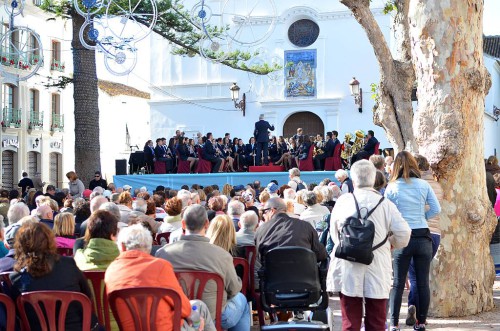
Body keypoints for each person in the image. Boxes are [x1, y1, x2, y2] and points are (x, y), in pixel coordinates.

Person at [328, 160, 411, 331]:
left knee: (350, 322)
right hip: (377, 263)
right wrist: (389, 244)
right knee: (376, 321)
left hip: (349, 263)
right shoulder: (385, 204)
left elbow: (334, 234)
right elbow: (404, 234)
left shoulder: (343, 201)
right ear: (374, 179)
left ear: (353, 178)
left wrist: (348, 246)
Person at [155, 205, 250, 331]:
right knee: (242, 299)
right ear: (206, 224)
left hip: (178, 314)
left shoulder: (162, 254)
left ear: (183, 224)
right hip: (215, 316)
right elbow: (234, 290)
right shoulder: (222, 255)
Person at [105, 224, 215, 331]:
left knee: (198, 306)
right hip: (168, 327)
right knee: (200, 309)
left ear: (123, 247)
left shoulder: (111, 271)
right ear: (148, 247)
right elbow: (182, 305)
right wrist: (196, 319)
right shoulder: (160, 266)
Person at [385, 151, 441, 331]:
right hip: (423, 236)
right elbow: (436, 208)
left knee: (398, 282)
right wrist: (422, 216)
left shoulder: (392, 187)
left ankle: (394, 324)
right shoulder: (423, 185)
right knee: (423, 281)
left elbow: (387, 214)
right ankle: (421, 322)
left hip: (403, 238)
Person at [9, 222, 100, 330]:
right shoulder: (69, 264)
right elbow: (87, 296)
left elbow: (17, 314)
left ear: (21, 245)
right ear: (49, 240)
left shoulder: (16, 278)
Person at [404, 154, 444, 326]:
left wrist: (421, 218)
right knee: (422, 275)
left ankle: (414, 307)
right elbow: (436, 208)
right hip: (435, 234)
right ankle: (421, 317)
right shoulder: (436, 185)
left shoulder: (415, 186)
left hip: (418, 232)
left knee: (414, 277)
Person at [255, 197, 327, 265]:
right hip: (305, 276)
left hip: (273, 277)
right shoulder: (305, 226)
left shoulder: (261, 231)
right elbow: (321, 254)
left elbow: (259, 258)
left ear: (272, 210)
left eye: (265, 211)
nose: (263, 214)